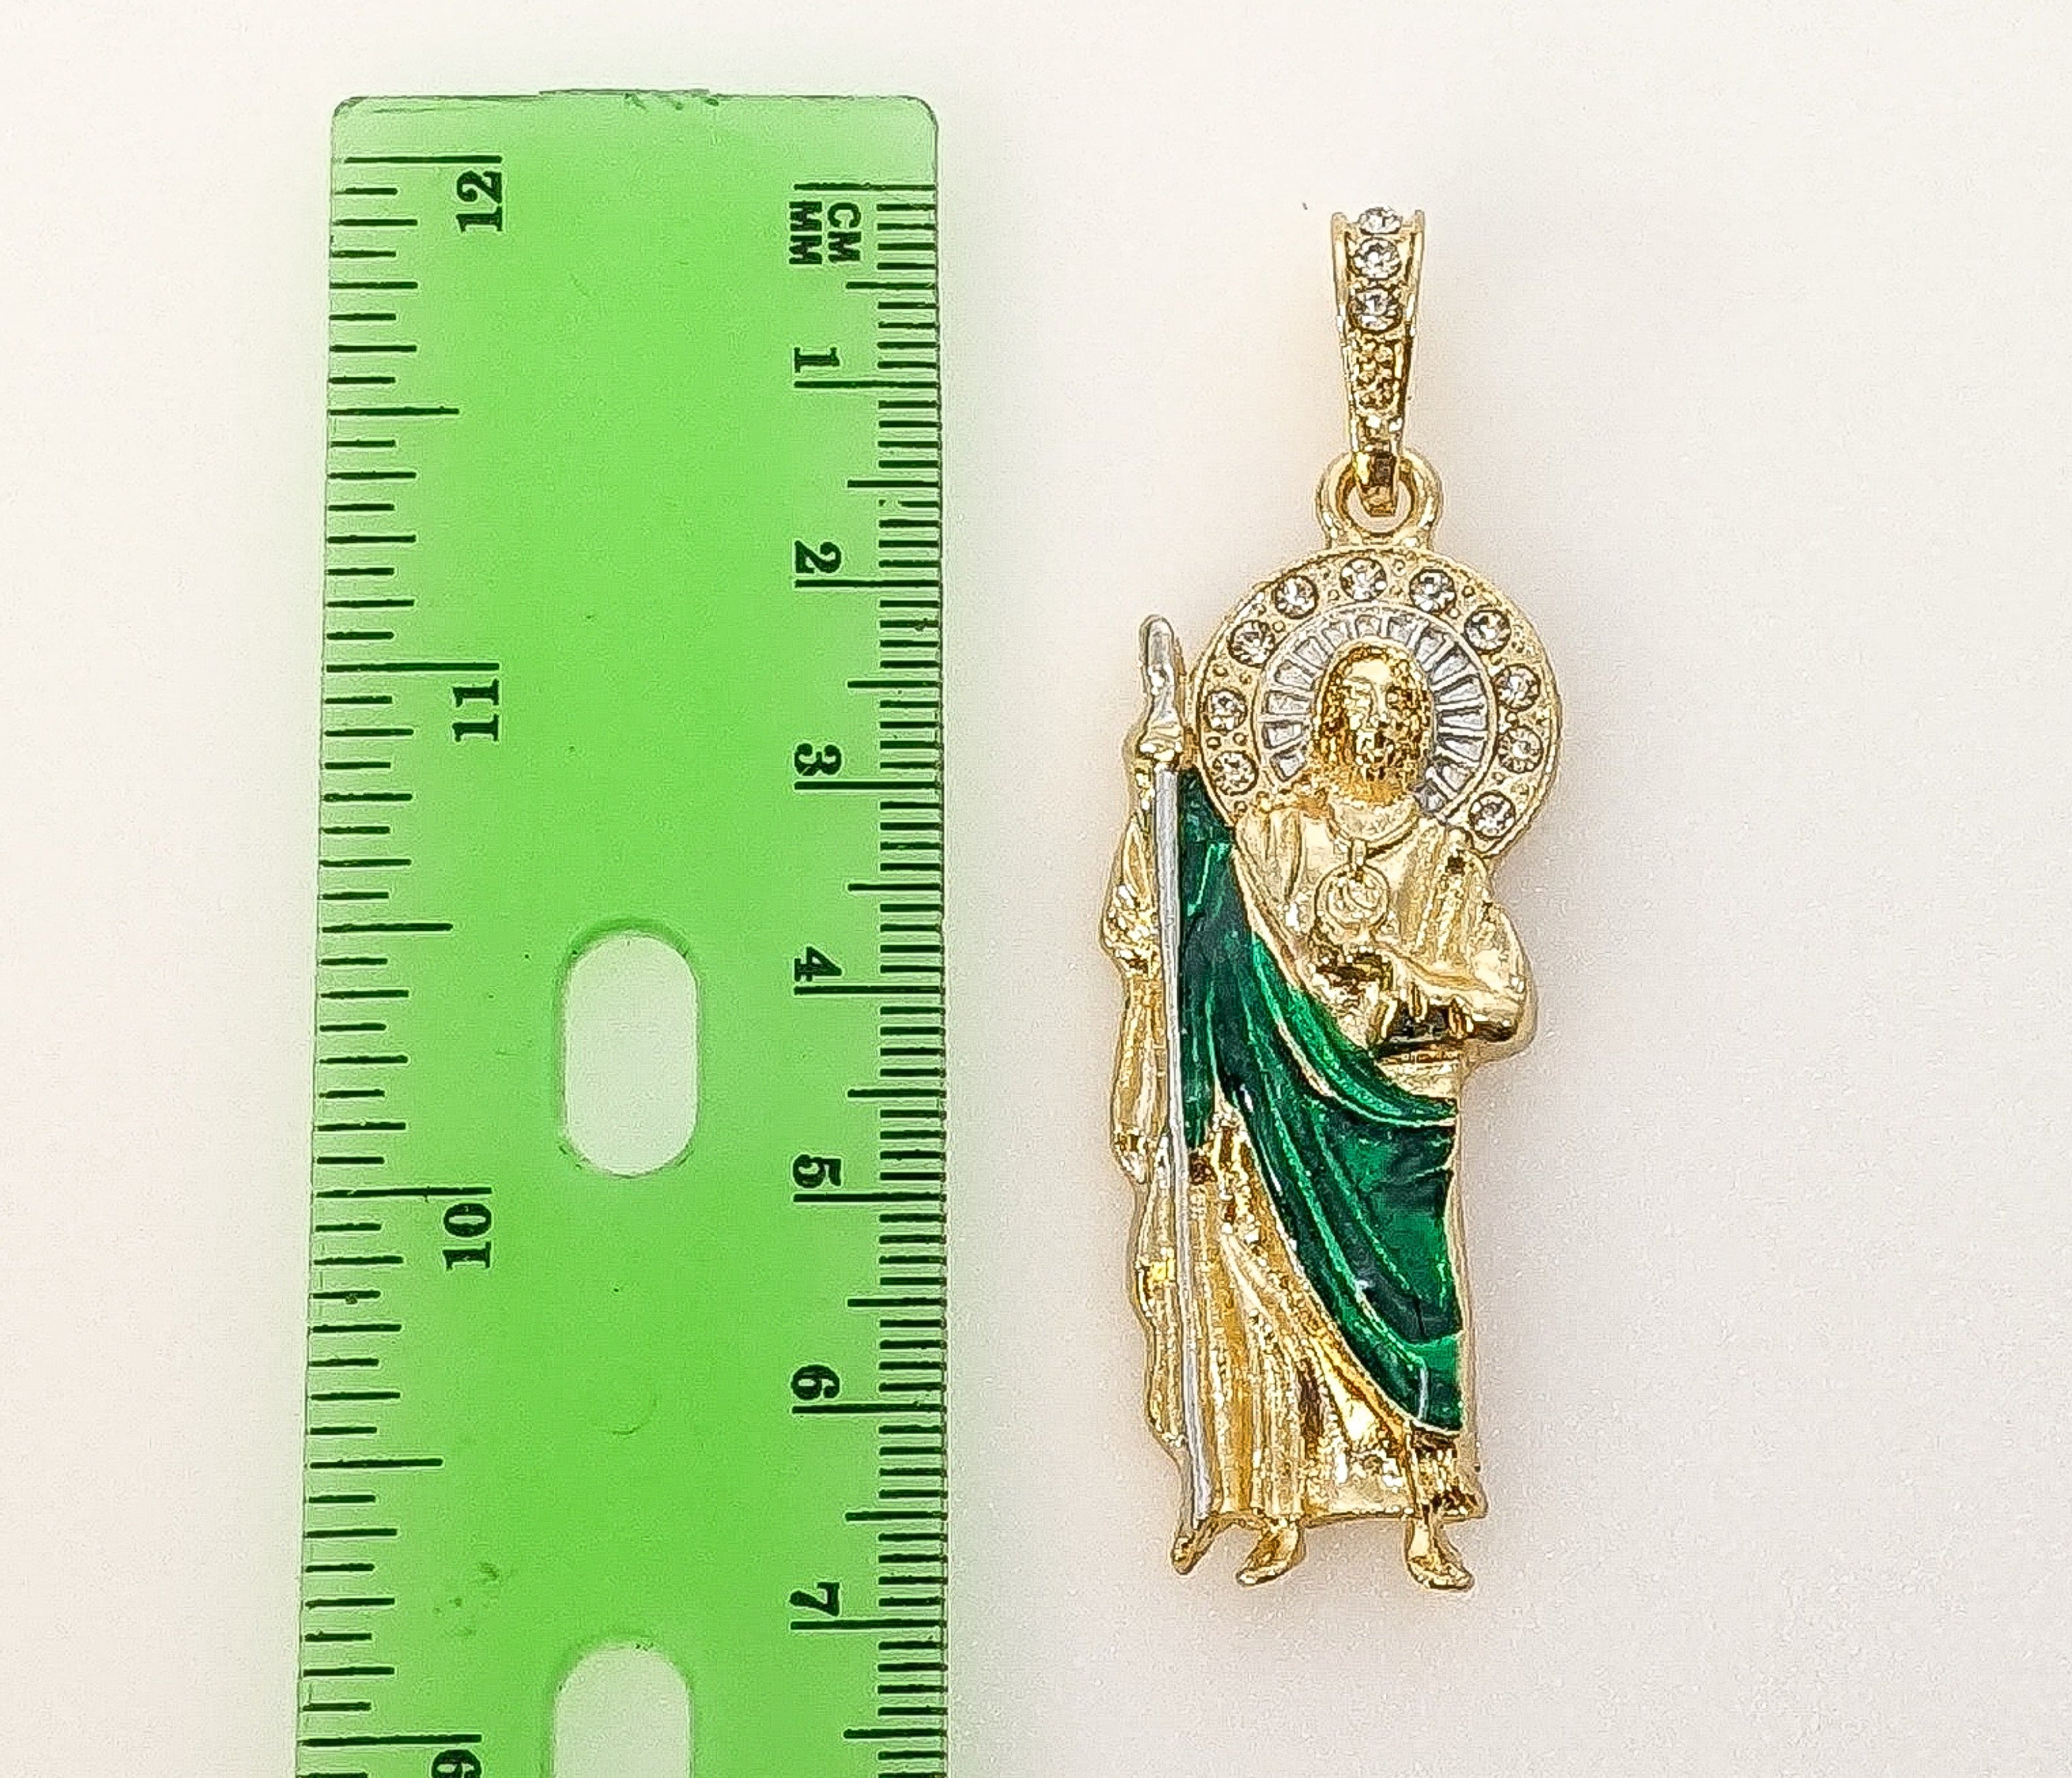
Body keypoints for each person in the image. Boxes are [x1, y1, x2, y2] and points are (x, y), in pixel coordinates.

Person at [1103, 636, 1533, 1589]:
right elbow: (1181, 914)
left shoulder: (1444, 861)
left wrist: (1402, 984)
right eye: (1357, 703)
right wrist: (1163, 788)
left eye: (1397, 707)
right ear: (1325, 720)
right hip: (1270, 1102)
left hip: (1393, 1122)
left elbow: (1505, 1007)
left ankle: (1424, 1506)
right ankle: (1278, 1503)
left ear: (1425, 732)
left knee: (1414, 1308)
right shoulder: (1270, 836)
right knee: (1268, 1289)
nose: (1376, 724)